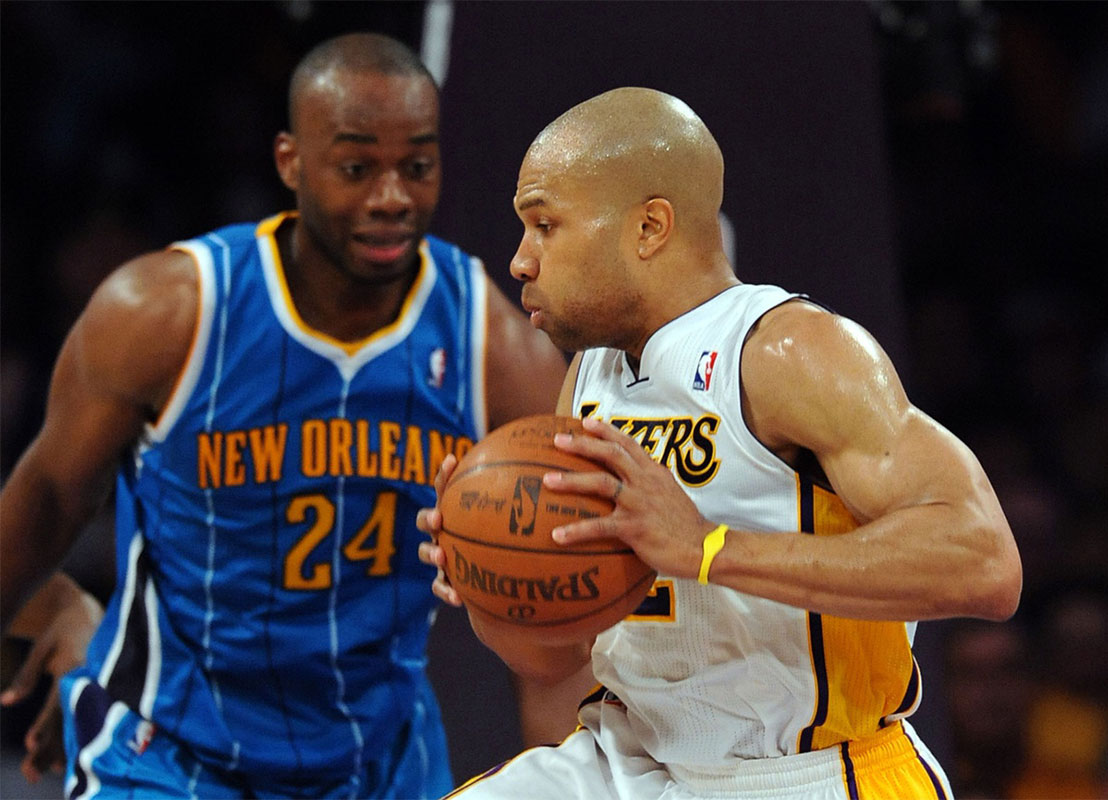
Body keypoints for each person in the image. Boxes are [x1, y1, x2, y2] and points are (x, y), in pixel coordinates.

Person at [0, 32, 580, 799]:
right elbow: (42, 502)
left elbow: (558, 615)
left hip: (378, 762)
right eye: (356, 167)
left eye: (417, 166)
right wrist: (55, 619)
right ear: (290, 163)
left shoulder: (491, 344)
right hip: (170, 754)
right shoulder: (168, 313)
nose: (391, 197)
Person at [418, 87, 1022, 800]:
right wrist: (493, 580)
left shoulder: (787, 350)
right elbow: (557, 657)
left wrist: (707, 547)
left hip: (807, 771)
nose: (519, 261)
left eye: (545, 225)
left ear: (649, 228)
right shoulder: (589, 375)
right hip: (634, 758)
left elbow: (985, 562)